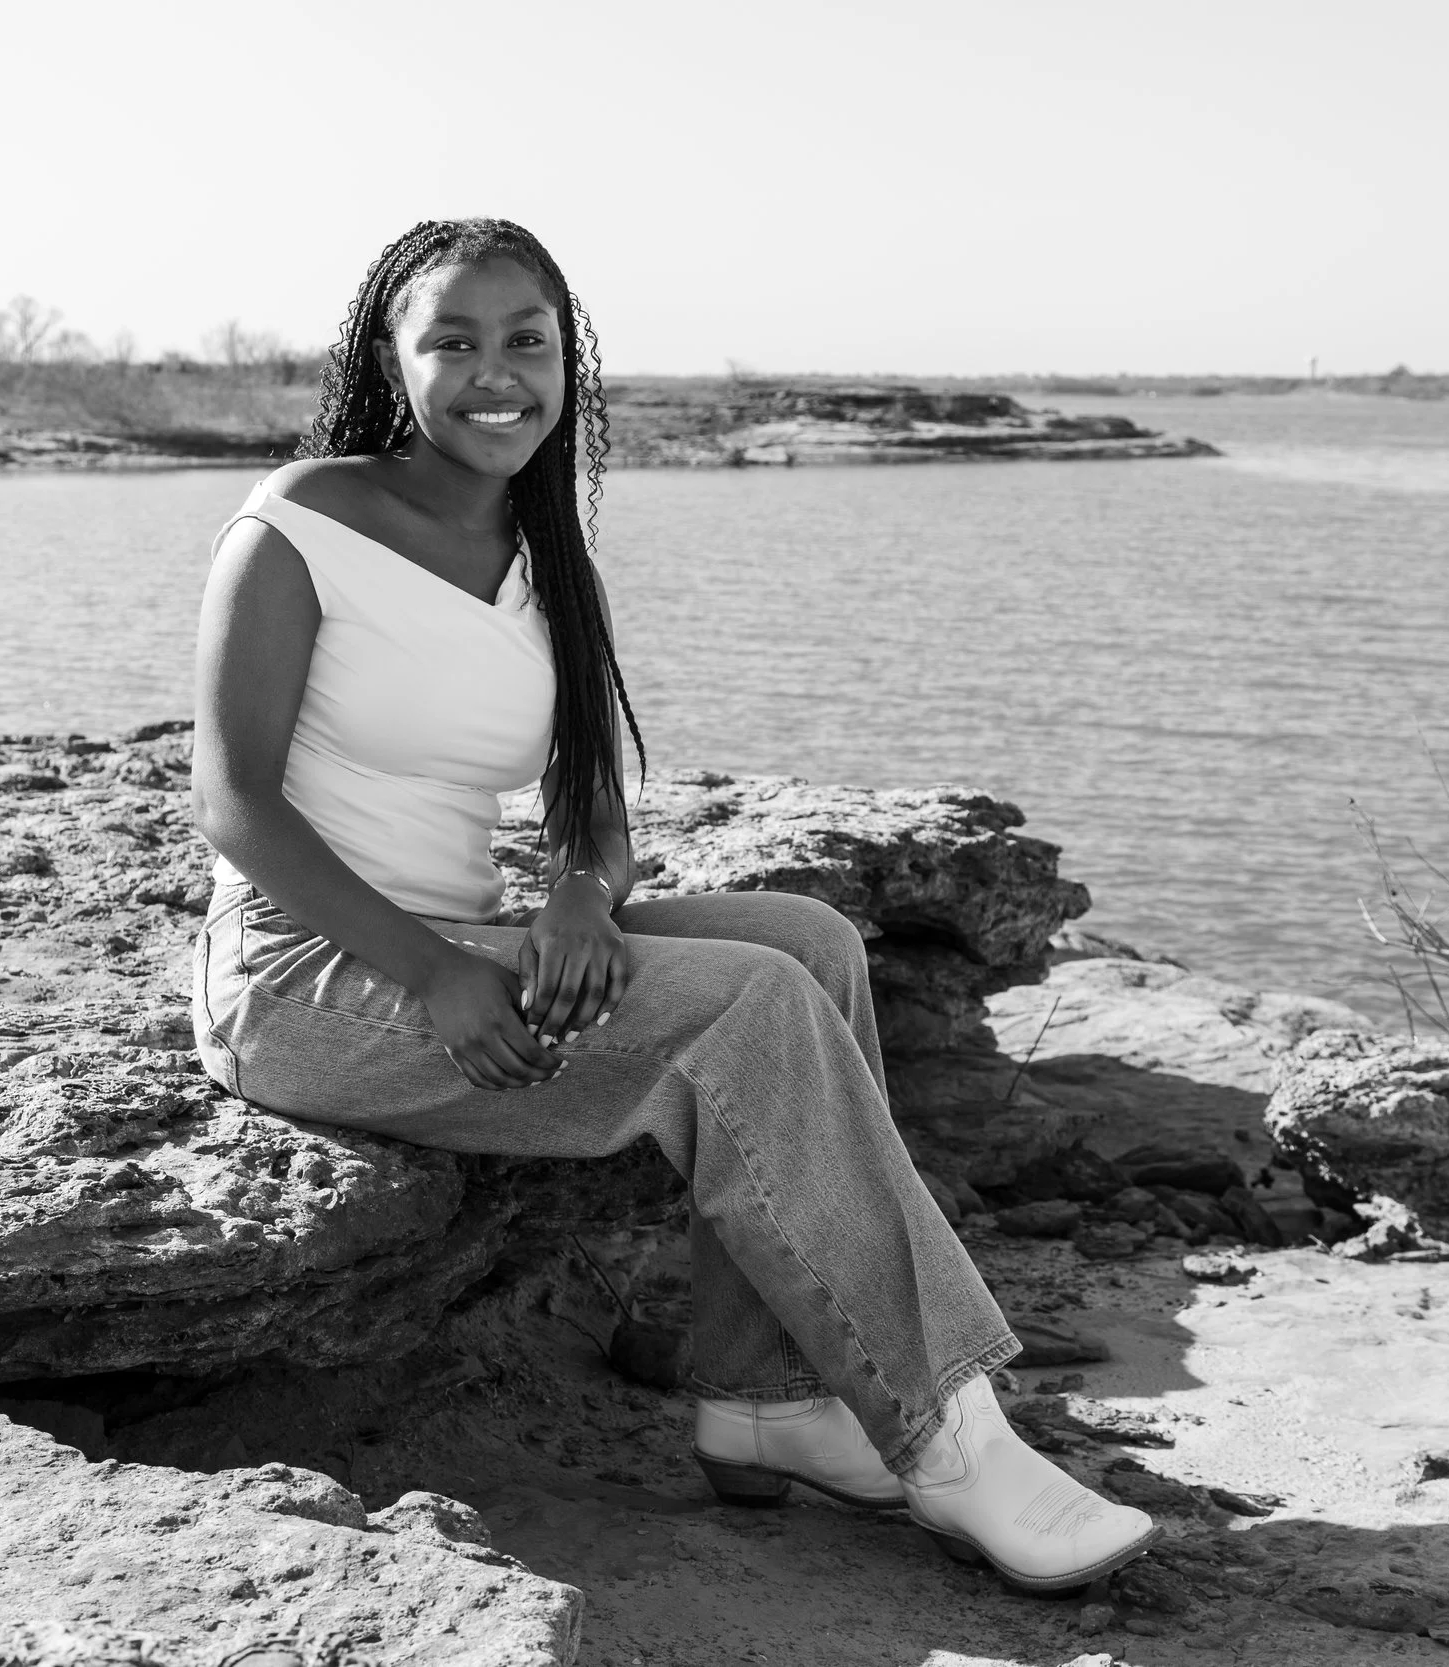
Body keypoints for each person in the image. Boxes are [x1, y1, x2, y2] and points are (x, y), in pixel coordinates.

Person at [188, 218, 1158, 1595]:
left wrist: (580, 897)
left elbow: (588, 786)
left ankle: (770, 1398)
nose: (494, 373)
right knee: (748, 1006)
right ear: (387, 358)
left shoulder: (542, 546)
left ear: (567, 360)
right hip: (311, 978)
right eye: (451, 340)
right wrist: (438, 973)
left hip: (473, 933)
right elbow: (237, 805)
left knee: (810, 944)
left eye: (527, 340)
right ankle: (950, 1433)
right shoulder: (302, 521)